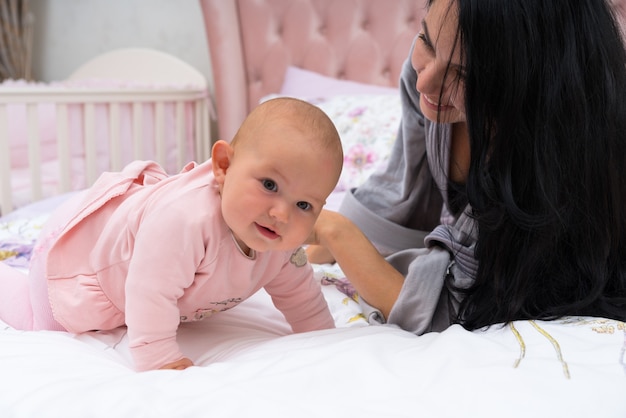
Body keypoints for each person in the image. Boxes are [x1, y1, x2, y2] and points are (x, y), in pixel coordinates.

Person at [306, 0, 626, 334]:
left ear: (529, 88)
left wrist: (335, 231)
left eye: (464, 75)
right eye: (426, 42)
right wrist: (309, 244)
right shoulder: (426, 87)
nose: (425, 83)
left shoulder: (542, 153)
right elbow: (402, 195)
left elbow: (451, 305)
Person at [2, 97, 344, 371]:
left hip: (138, 250)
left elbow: (303, 299)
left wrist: (326, 345)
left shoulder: (280, 241)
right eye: (269, 185)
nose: (281, 214)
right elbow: (149, 291)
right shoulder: (186, 220)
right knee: (41, 320)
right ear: (224, 166)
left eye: (303, 205)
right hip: (83, 255)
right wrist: (160, 359)